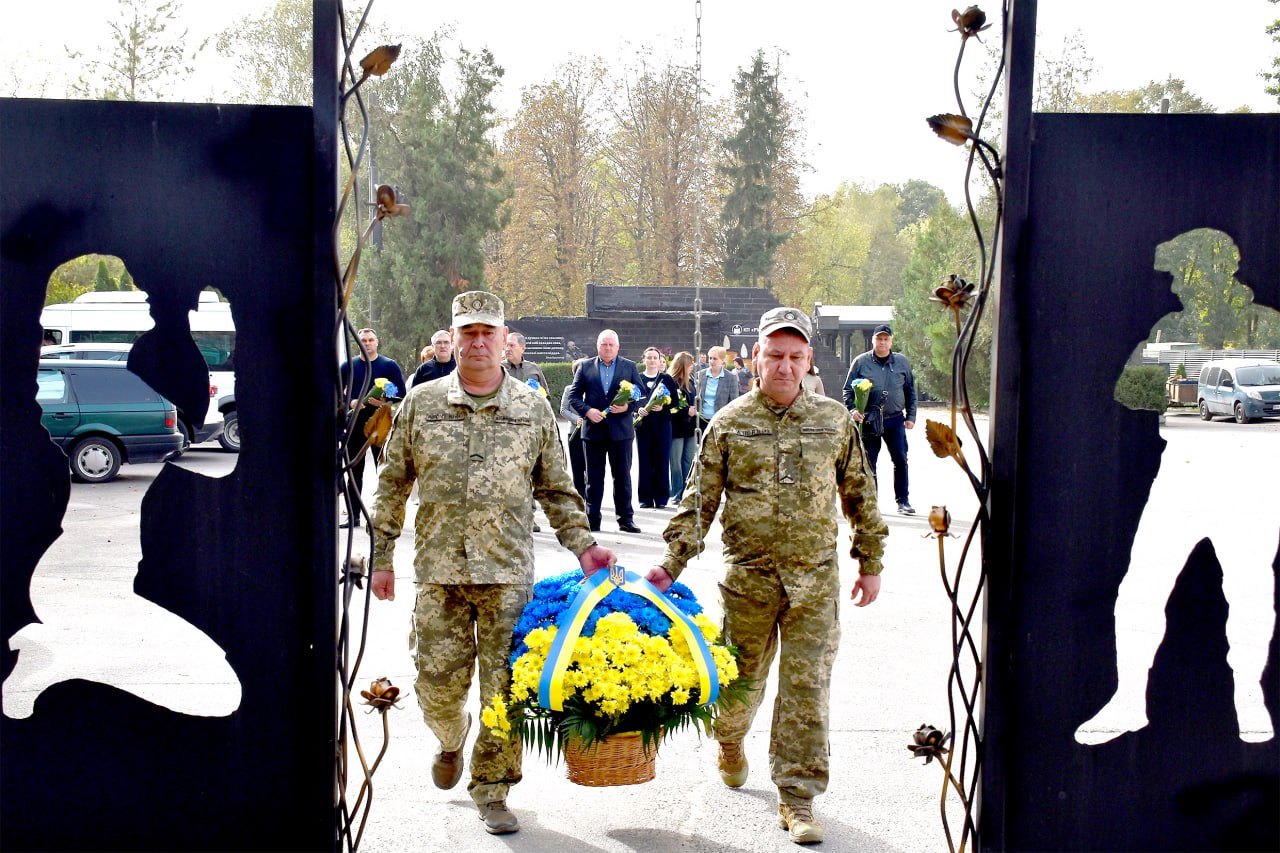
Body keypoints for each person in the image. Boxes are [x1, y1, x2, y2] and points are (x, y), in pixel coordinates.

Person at [370, 291, 616, 836]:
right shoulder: (422, 403)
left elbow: (557, 489)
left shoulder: (532, 409)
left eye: (488, 333)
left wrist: (584, 545)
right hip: (439, 573)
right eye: (467, 332)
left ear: (506, 341)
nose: (478, 342)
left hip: (507, 575)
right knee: (436, 685)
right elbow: (390, 485)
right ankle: (450, 739)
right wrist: (383, 556)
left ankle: (493, 787)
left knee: (506, 691)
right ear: (453, 339)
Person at [642, 306, 888, 846]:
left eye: (795, 356)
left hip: (814, 584)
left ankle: (797, 797)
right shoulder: (729, 423)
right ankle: (730, 740)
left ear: (808, 361)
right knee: (739, 688)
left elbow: (861, 496)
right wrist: (671, 563)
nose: (784, 366)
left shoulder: (833, 421)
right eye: (774, 355)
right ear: (755, 358)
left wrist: (870, 560)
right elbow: (697, 503)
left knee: (806, 690)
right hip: (748, 584)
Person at [566, 329, 644, 533]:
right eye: (604, 344)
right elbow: (573, 397)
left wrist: (628, 407)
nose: (607, 348)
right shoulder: (585, 367)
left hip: (621, 432)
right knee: (593, 478)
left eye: (611, 345)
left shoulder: (629, 366)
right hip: (593, 431)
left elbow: (642, 396)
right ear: (597, 346)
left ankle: (626, 519)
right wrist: (587, 411)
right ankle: (592, 519)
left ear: (618, 347)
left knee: (622, 477)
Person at [842, 324, 917, 515]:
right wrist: (852, 410)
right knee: (869, 463)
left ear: (891, 341)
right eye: (879, 339)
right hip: (869, 421)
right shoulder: (861, 362)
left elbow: (910, 390)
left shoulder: (902, 362)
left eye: (886, 339)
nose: (882, 342)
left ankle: (903, 501)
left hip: (895, 420)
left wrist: (911, 416)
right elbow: (848, 390)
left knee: (900, 459)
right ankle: (871, 502)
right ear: (873, 340)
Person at [340, 328, 406, 511]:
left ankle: (383, 514)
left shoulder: (388, 365)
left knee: (384, 471)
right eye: (363, 340)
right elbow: (336, 393)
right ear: (358, 343)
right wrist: (350, 402)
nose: (367, 343)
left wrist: (385, 401)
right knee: (354, 471)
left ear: (377, 342)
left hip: (381, 425)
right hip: (355, 425)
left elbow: (401, 393)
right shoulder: (348, 366)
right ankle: (353, 514)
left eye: (370, 340)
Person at [634, 346, 680, 509]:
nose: (652, 360)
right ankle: (645, 498)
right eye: (649, 357)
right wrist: (638, 408)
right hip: (644, 427)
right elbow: (633, 399)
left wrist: (663, 407)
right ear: (644, 359)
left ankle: (661, 497)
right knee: (645, 461)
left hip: (662, 425)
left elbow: (675, 401)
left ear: (660, 360)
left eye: (655, 357)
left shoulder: (666, 379)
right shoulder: (637, 378)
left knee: (661, 460)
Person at [665, 351, 699, 505]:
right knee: (676, 462)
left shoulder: (691, 382)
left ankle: (688, 491)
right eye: (690, 364)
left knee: (688, 461)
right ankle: (676, 493)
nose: (692, 367)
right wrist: (686, 411)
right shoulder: (670, 382)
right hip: (676, 428)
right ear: (684, 365)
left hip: (690, 427)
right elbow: (668, 406)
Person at [559, 358, 589, 499]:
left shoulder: (595, 389)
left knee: (592, 466)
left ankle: (591, 496)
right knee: (577, 466)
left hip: (591, 432)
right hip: (574, 432)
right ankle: (579, 496)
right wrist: (575, 419)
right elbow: (563, 410)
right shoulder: (569, 389)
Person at [695, 345, 740, 429]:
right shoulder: (700, 375)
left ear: (722, 360)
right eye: (710, 358)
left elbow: (734, 402)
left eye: (715, 359)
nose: (712, 361)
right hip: (701, 420)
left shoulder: (730, 377)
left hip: (720, 421)